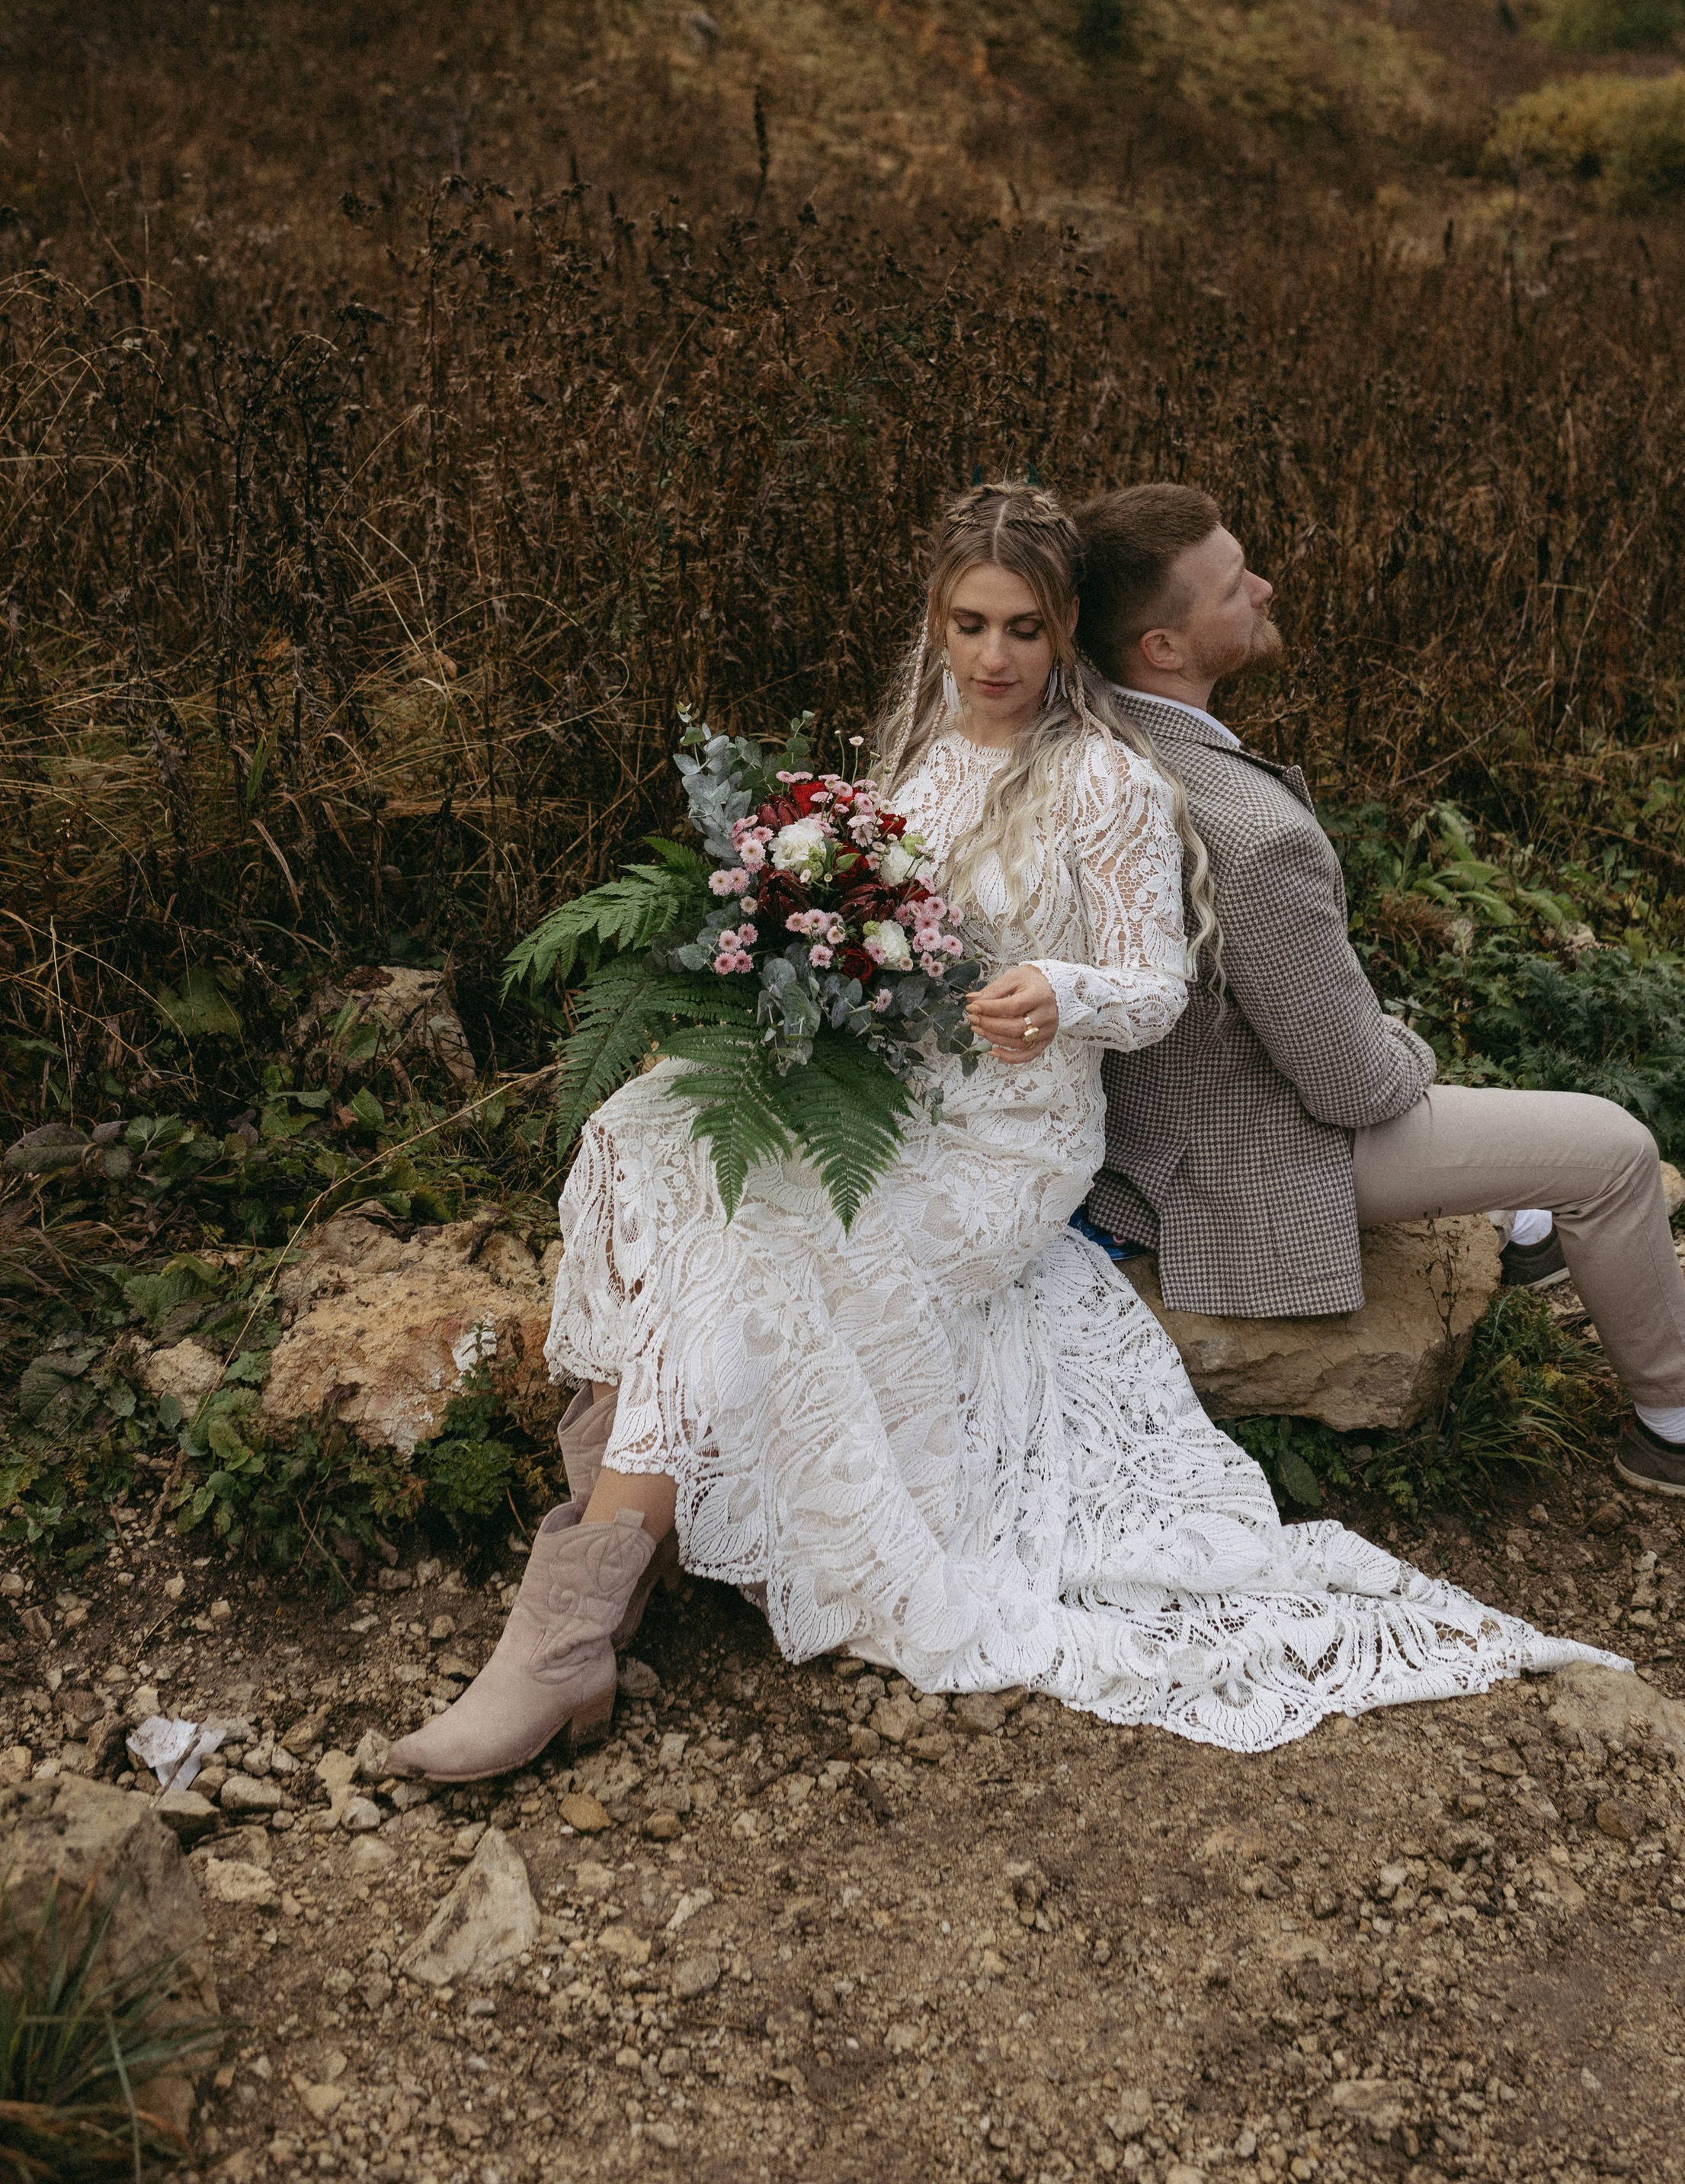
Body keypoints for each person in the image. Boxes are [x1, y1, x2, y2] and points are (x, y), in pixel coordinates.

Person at [390, 483, 1607, 1784]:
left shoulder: (1107, 784)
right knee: (656, 1140)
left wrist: (1063, 992)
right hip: (897, 1102)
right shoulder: (917, 757)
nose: (991, 658)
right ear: (937, 620)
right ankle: (584, 1620)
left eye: (1023, 629)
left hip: (1009, 1144)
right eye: (968, 624)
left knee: (748, 1248)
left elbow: (1159, 989)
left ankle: (569, 1630)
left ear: (1066, 627)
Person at [1070, 480, 1685, 1515]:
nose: (1264, 586)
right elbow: (1354, 1087)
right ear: (1163, 648)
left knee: (1436, 1092)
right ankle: (1683, 1431)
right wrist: (1402, 1044)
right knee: (1612, 1151)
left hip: (1148, 1123)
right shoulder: (1252, 833)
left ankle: (1523, 1229)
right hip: (1233, 1164)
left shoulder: (1085, 735)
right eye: (1230, 585)